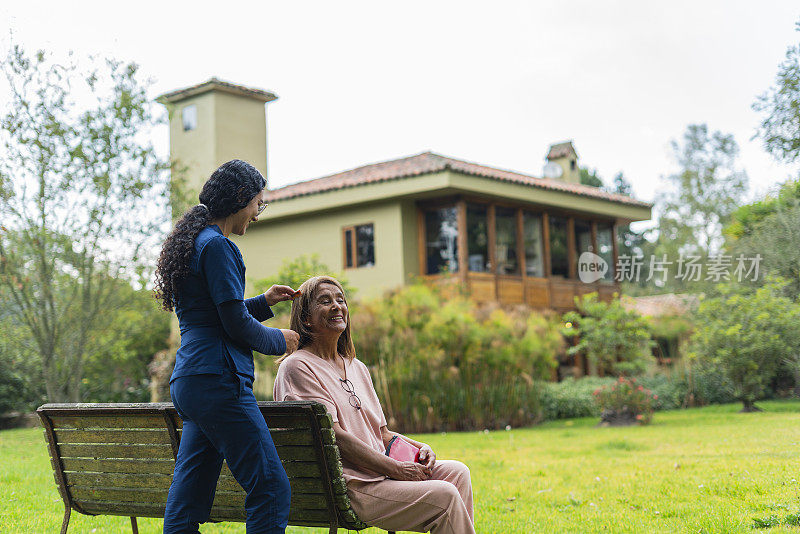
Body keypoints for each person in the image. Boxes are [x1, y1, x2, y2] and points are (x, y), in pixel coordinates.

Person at [154, 159, 299, 534]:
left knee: (188, 499)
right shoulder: (219, 247)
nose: (257, 213)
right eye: (258, 204)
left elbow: (214, 317)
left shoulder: (196, 243)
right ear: (241, 199)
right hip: (220, 383)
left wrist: (264, 302)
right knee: (270, 485)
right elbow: (234, 324)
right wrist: (278, 340)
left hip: (192, 382)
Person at [273, 276, 475, 534]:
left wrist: (419, 447)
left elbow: (381, 434)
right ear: (306, 319)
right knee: (444, 496)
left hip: (380, 475)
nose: (337, 306)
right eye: (325, 301)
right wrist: (396, 469)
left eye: (340, 300)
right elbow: (333, 437)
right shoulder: (298, 366)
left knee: (458, 473)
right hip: (351, 486)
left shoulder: (356, 367)